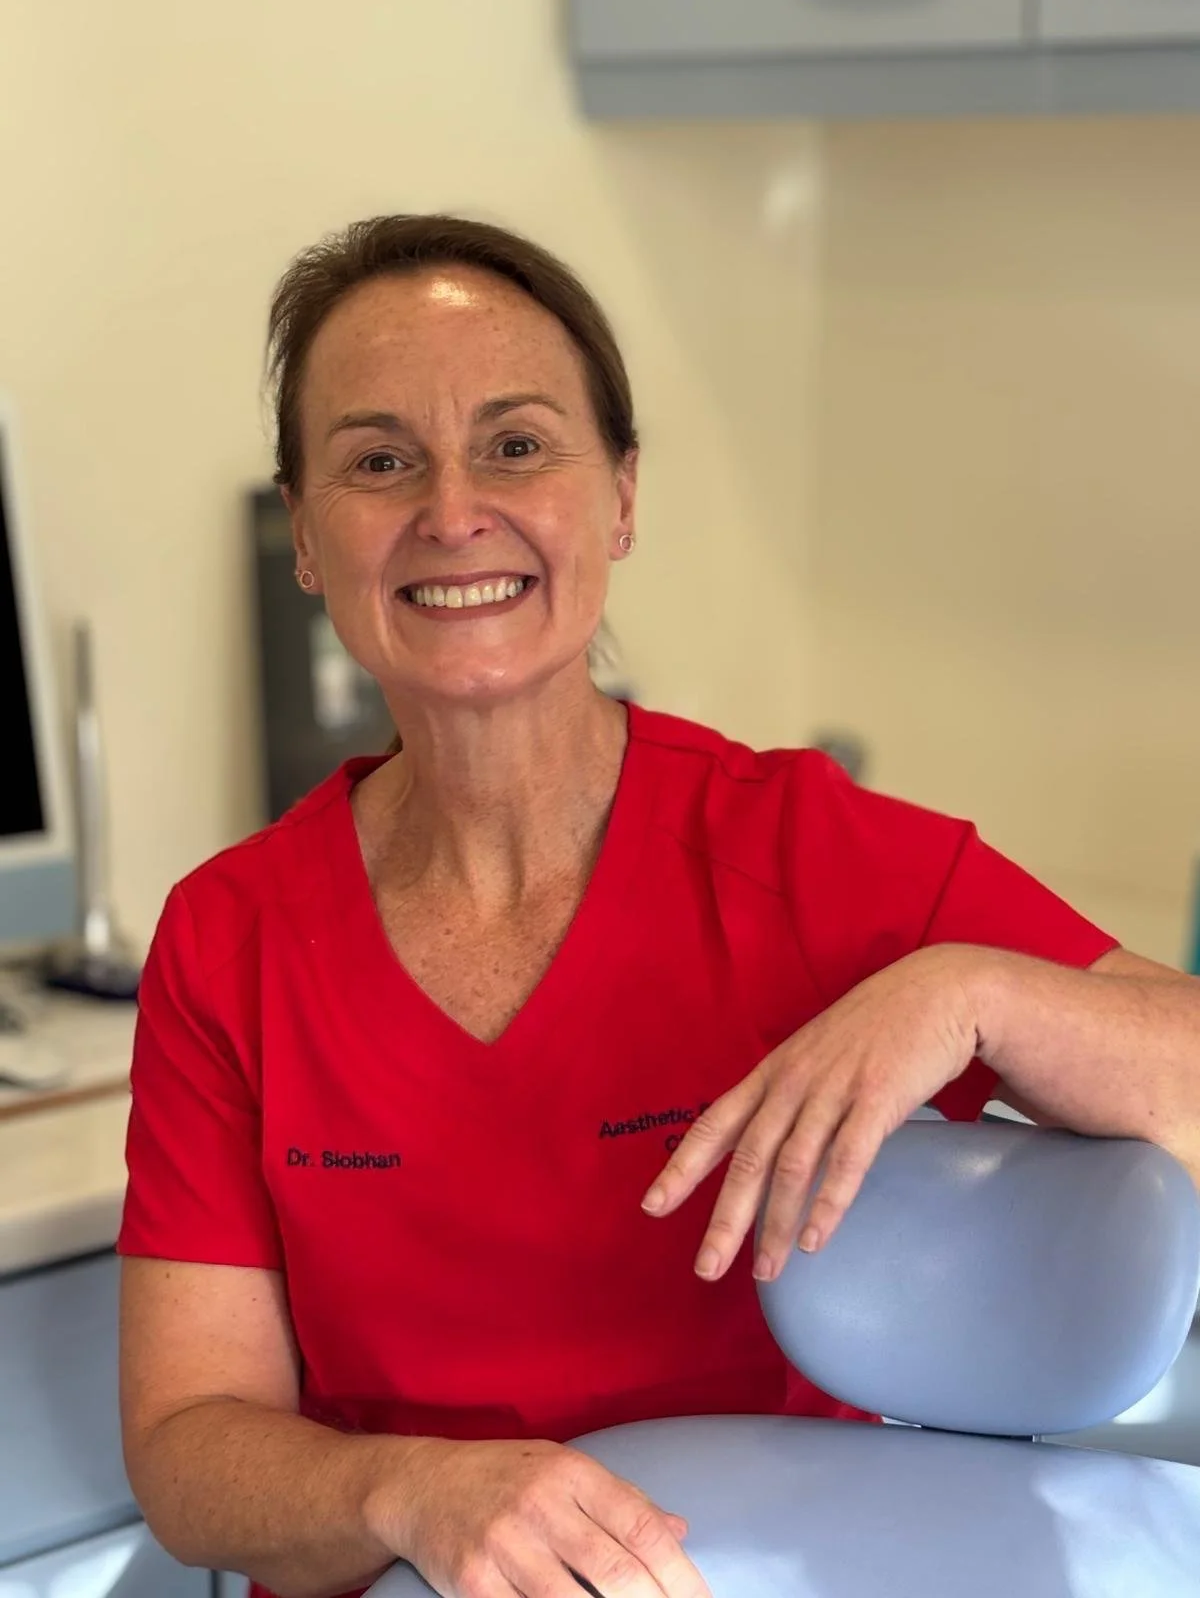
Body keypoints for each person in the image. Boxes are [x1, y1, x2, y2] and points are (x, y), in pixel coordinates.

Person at [118, 213, 1200, 1598]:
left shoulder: (806, 853)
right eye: (381, 461)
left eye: (516, 445)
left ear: (621, 497)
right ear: (307, 540)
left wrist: (970, 993)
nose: (453, 511)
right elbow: (189, 1447)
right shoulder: (232, 938)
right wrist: (413, 1487)